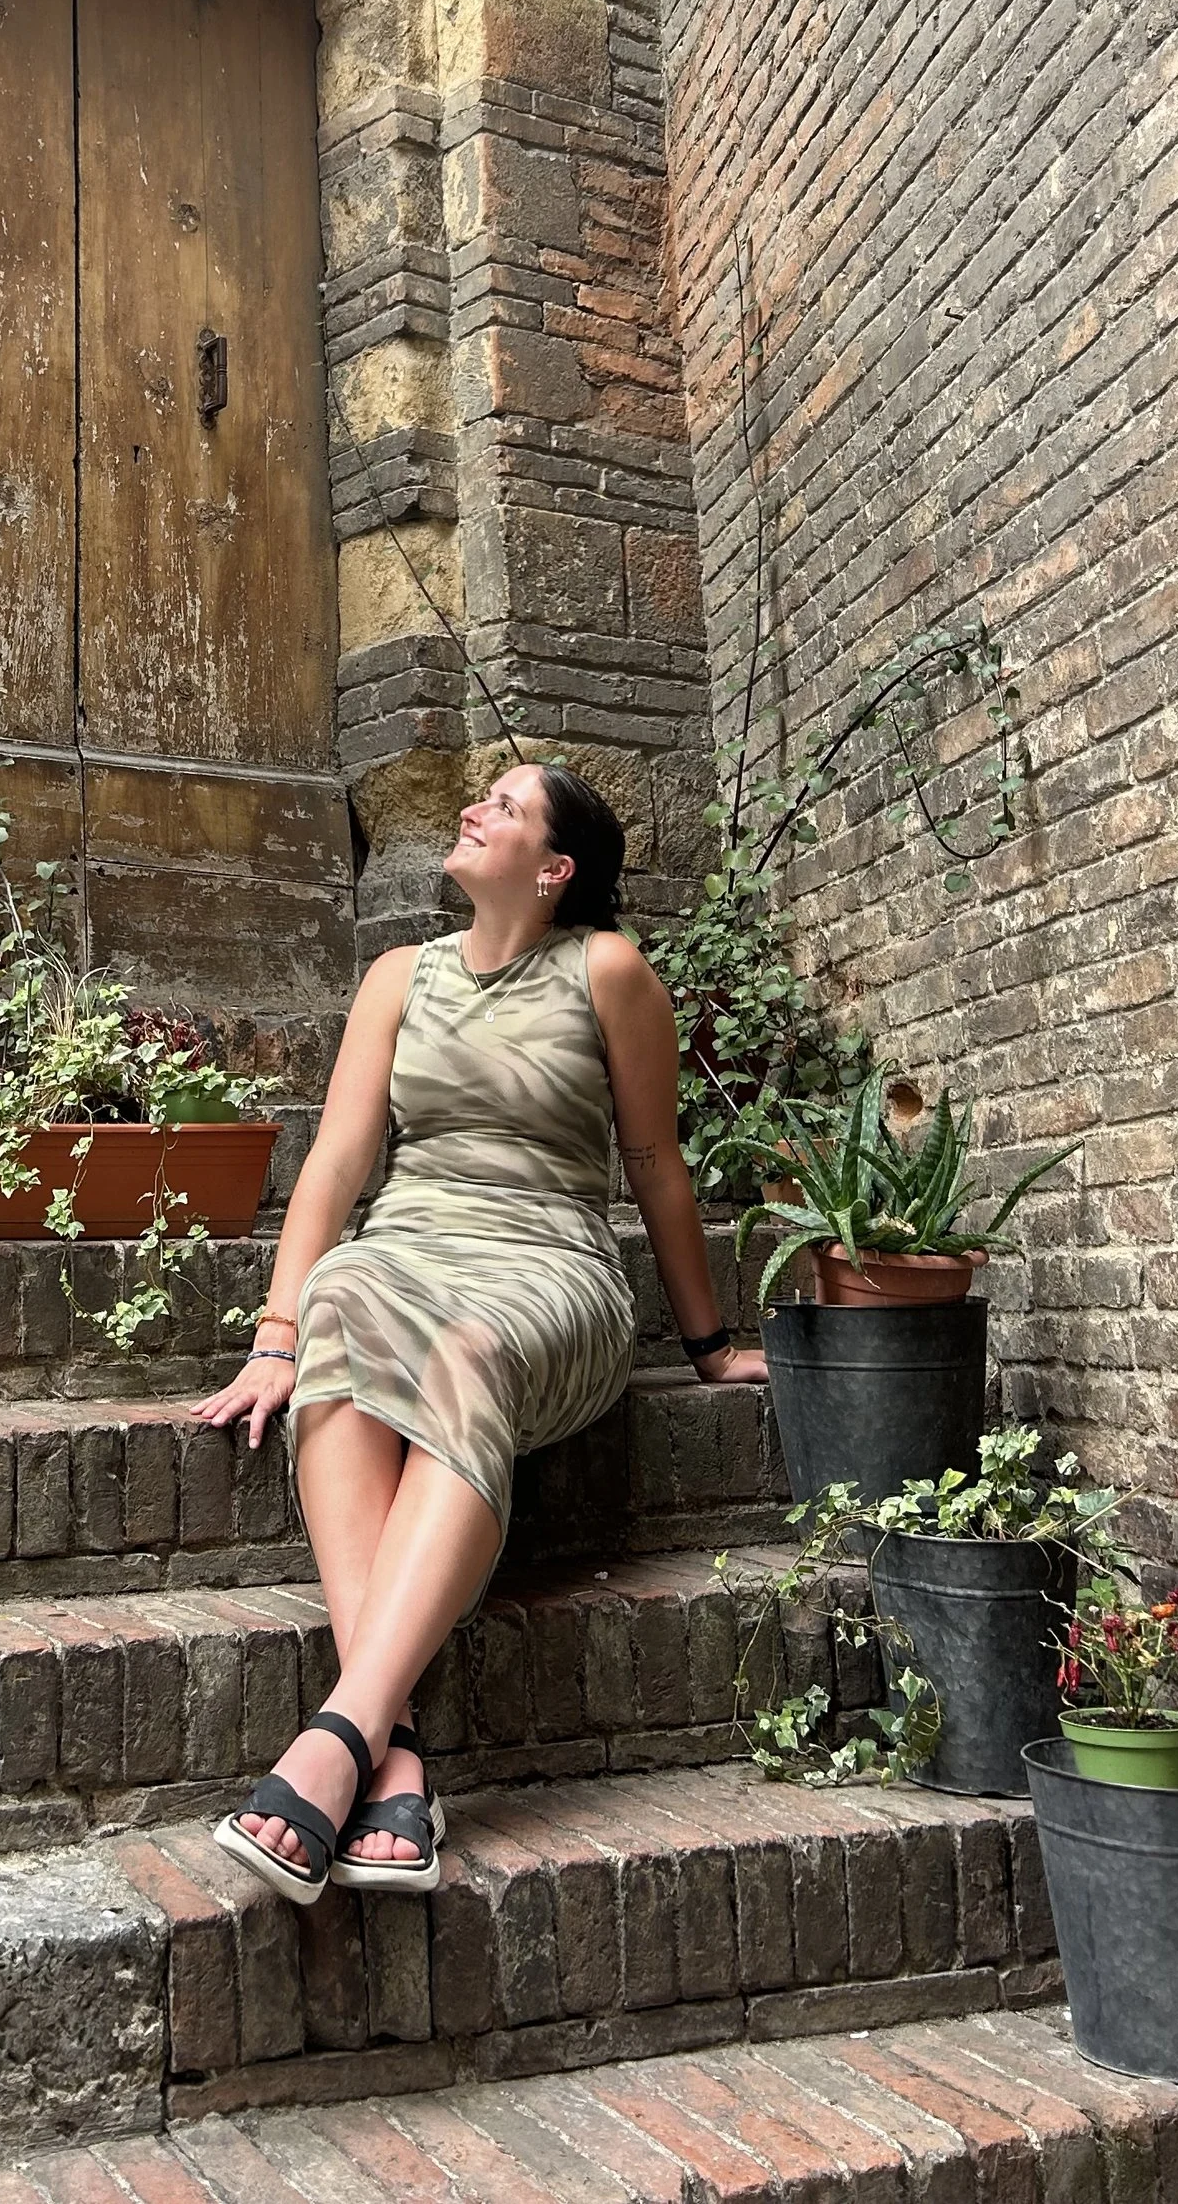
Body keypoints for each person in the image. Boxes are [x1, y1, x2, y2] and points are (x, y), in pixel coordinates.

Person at [191, 758, 768, 1903]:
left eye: (504, 808)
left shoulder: (606, 970)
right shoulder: (398, 976)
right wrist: (274, 1332)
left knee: (467, 1348)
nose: (472, 810)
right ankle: (386, 1744)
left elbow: (653, 1162)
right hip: (408, 1251)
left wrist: (706, 1343)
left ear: (553, 870)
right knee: (342, 1297)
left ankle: (341, 1731)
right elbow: (339, 1164)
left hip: (546, 1272)